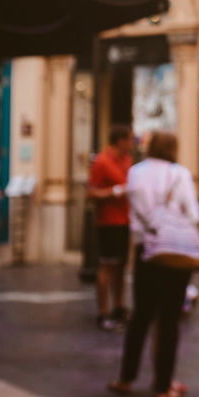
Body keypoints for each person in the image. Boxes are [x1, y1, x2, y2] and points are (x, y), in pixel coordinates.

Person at [109, 131, 199, 397]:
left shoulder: (135, 172)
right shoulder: (179, 174)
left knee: (141, 317)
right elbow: (194, 214)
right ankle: (163, 386)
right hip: (174, 252)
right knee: (169, 320)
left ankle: (126, 378)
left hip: (145, 252)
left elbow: (133, 209)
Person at [88, 124, 135, 331]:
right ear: (120, 140)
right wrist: (114, 191)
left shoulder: (126, 161)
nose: (132, 143)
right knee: (107, 266)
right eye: (130, 139)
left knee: (121, 266)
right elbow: (91, 193)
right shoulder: (101, 162)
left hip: (125, 220)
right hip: (108, 221)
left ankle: (118, 307)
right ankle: (103, 312)